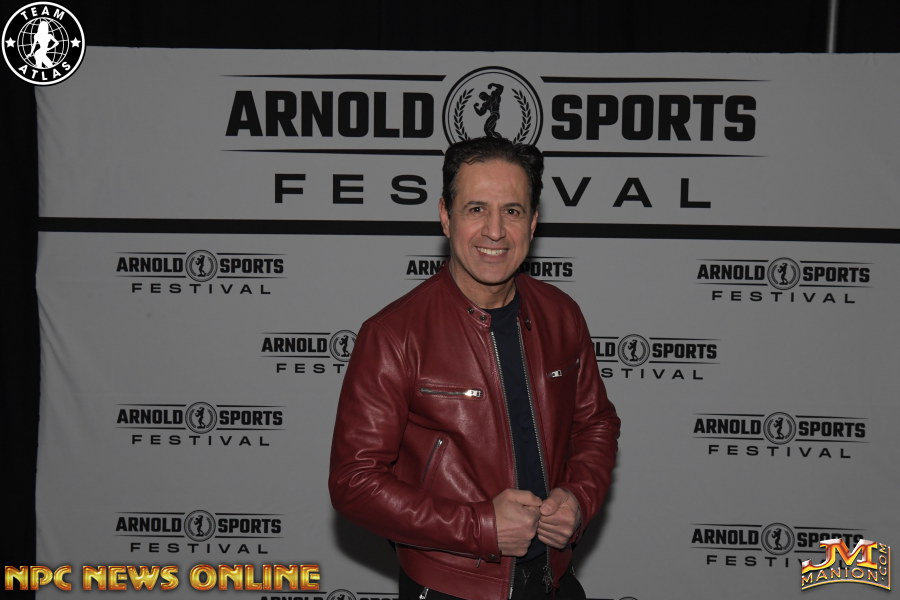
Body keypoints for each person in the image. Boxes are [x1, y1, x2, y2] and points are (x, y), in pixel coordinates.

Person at [329, 136, 619, 600]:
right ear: (445, 216)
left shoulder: (562, 314)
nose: (495, 231)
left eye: (512, 211)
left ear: (533, 221)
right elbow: (354, 484)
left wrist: (579, 497)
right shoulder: (394, 335)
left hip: (553, 580)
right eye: (476, 209)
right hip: (450, 587)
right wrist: (481, 526)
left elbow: (596, 423)